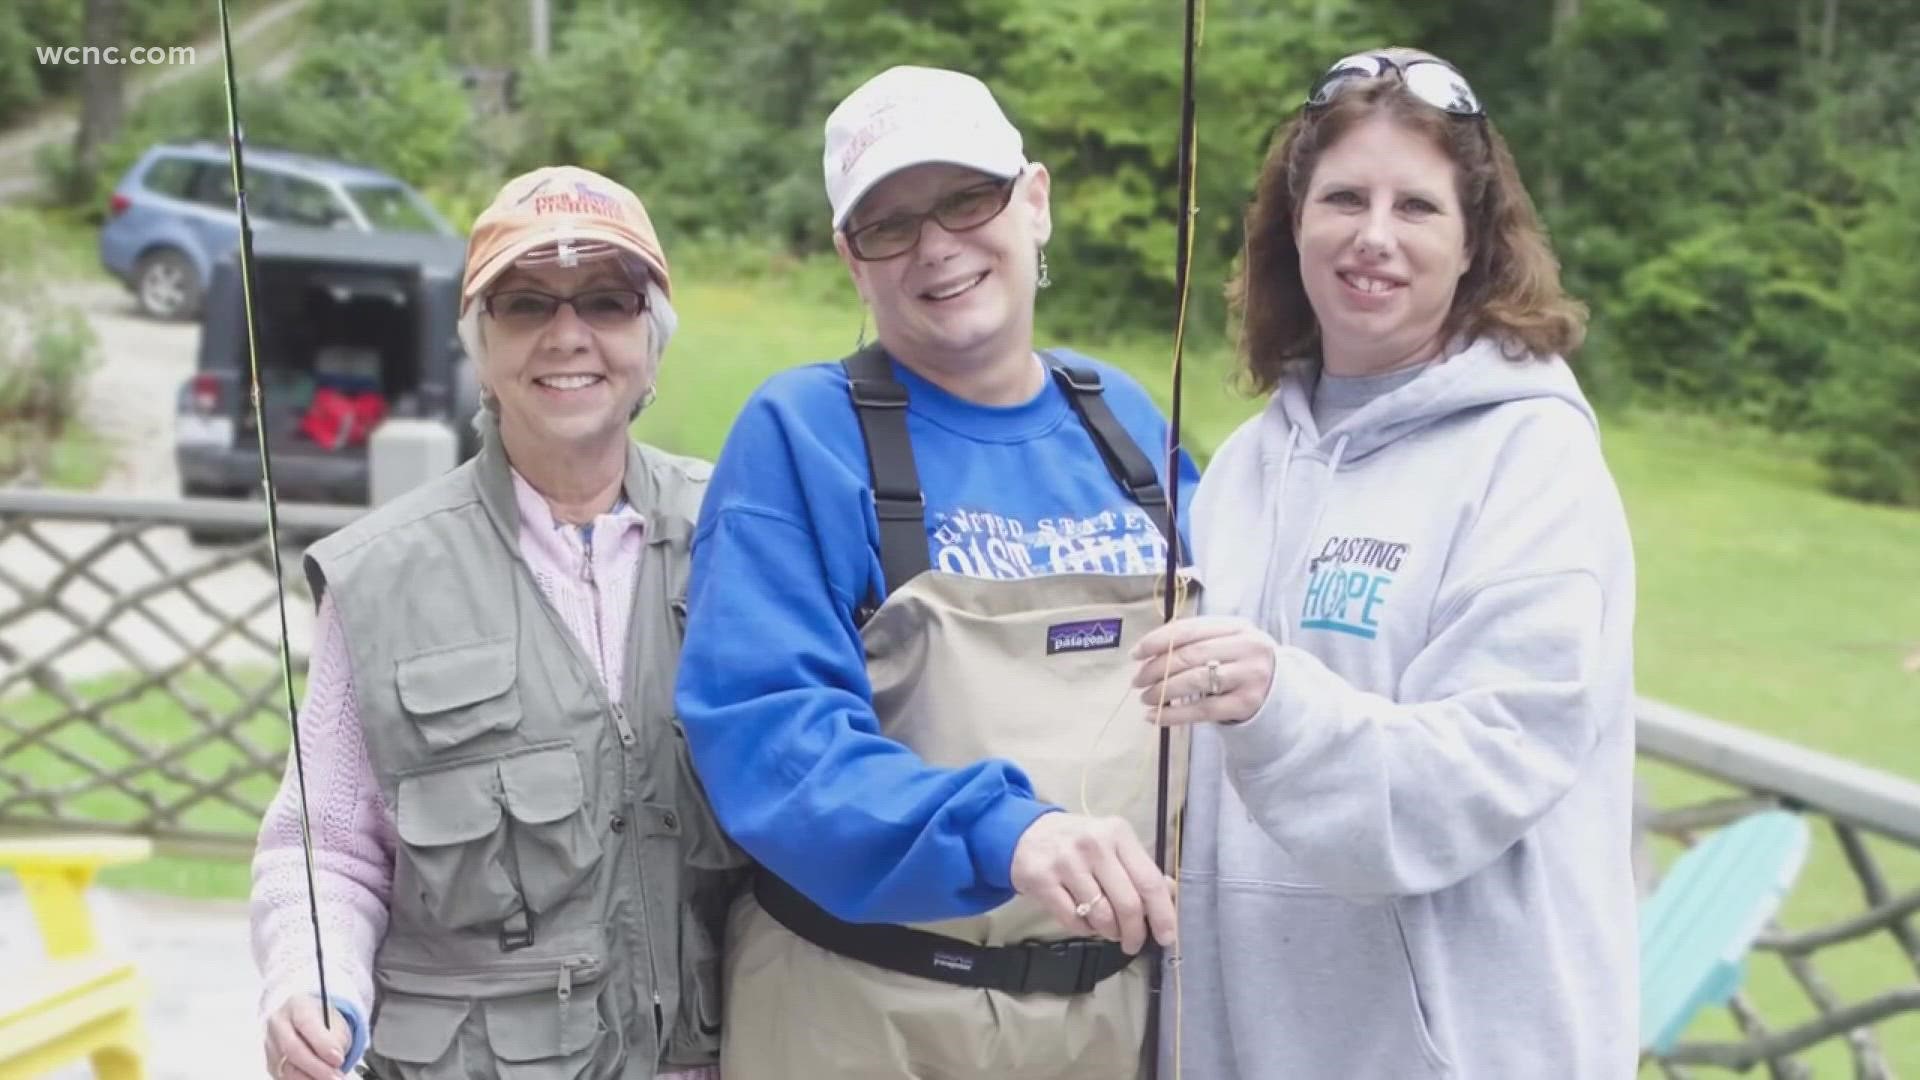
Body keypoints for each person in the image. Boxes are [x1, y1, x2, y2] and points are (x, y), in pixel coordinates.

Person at [674, 65, 1199, 1079]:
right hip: (865, 1019)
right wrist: (1006, 834)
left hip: (1111, 1021)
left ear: (1035, 200)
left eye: (968, 198)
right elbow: (770, 739)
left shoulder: (1128, 425)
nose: (938, 244)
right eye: (890, 222)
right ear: (850, 261)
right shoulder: (802, 434)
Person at [1129, 47, 1637, 1079]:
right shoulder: (1243, 470)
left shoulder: (1533, 465)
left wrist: (1278, 704)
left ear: (1474, 245)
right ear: (1293, 224)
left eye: (1417, 207)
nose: (1374, 237)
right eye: (1344, 198)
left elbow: (1478, 773)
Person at [250, 165, 740, 1080]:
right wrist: (310, 986)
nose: (568, 336)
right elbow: (322, 844)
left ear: (653, 340)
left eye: (606, 300)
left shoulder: (745, 529)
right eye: (524, 305)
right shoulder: (380, 573)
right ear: (479, 346)